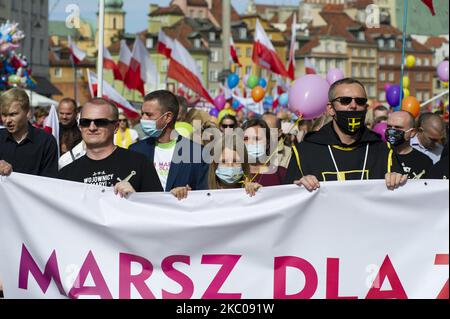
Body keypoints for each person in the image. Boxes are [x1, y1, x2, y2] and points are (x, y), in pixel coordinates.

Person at [283, 78, 407, 191]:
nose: (353, 106)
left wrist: (398, 181)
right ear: (331, 109)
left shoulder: (383, 151)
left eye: (360, 101)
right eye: (345, 100)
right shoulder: (305, 152)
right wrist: (297, 186)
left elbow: (402, 202)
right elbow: (288, 201)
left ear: (366, 107)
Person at [58, 98, 162, 197]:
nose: (92, 127)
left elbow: (158, 208)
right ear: (80, 126)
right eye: (85, 122)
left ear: (116, 127)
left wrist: (134, 198)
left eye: (100, 122)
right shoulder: (66, 174)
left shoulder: (140, 163)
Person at [130, 90, 209, 193]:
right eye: (142, 114)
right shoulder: (135, 150)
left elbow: (203, 194)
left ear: (168, 117)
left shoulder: (197, 153)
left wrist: (189, 193)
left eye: (149, 115)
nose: (143, 119)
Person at [170, 134, 262, 200]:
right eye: (223, 161)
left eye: (235, 161)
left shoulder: (252, 193)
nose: (230, 166)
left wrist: (260, 193)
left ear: (244, 164)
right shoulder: (199, 192)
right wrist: (178, 194)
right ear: (214, 164)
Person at [0, 88, 58, 178]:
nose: (7, 120)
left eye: (13, 114)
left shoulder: (46, 142)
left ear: (27, 111)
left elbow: (49, 182)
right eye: (4, 115)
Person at [385, 111, 432, 179]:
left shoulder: (425, 162)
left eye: (398, 127)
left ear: (412, 132)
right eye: (389, 126)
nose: (392, 131)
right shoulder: (378, 156)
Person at [242, 118, 286, 186]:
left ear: (268, 144)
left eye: (256, 139)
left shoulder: (282, 174)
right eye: (245, 139)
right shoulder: (233, 175)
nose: (250, 143)